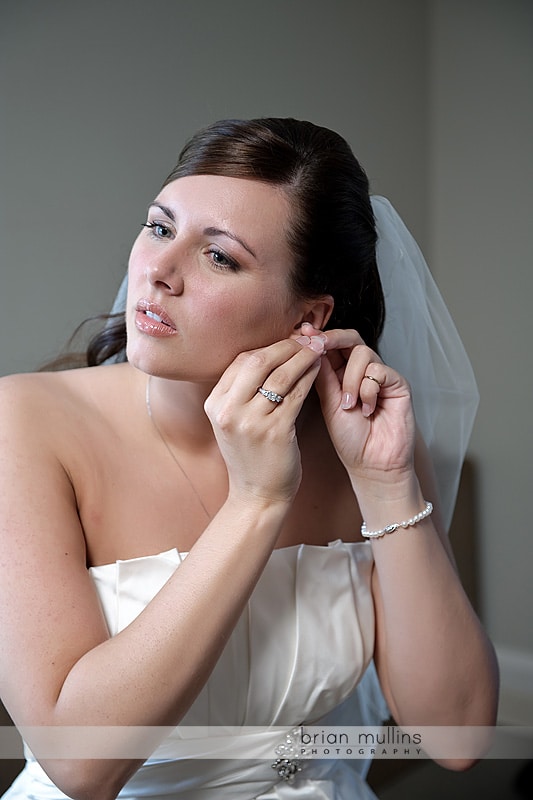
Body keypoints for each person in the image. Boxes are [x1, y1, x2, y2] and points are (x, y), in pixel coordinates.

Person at [0, 117, 498, 800]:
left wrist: (385, 485)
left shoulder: (364, 439)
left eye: (220, 257)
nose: (159, 272)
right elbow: (81, 766)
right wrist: (255, 502)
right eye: (158, 227)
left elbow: (457, 740)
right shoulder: (26, 421)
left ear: (309, 318)